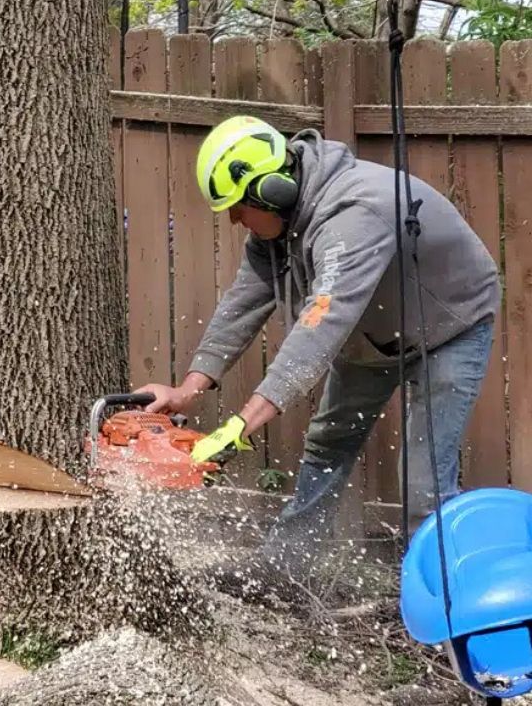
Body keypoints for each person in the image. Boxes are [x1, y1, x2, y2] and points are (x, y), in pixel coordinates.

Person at [135, 116, 499, 597]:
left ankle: (438, 602)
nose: (235, 220)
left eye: (239, 207)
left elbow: (321, 324)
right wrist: (189, 388)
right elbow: (243, 302)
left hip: (451, 327)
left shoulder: (355, 212)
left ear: (273, 191)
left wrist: (242, 424)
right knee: (329, 442)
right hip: (373, 333)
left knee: (424, 479)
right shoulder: (277, 229)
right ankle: (285, 569)